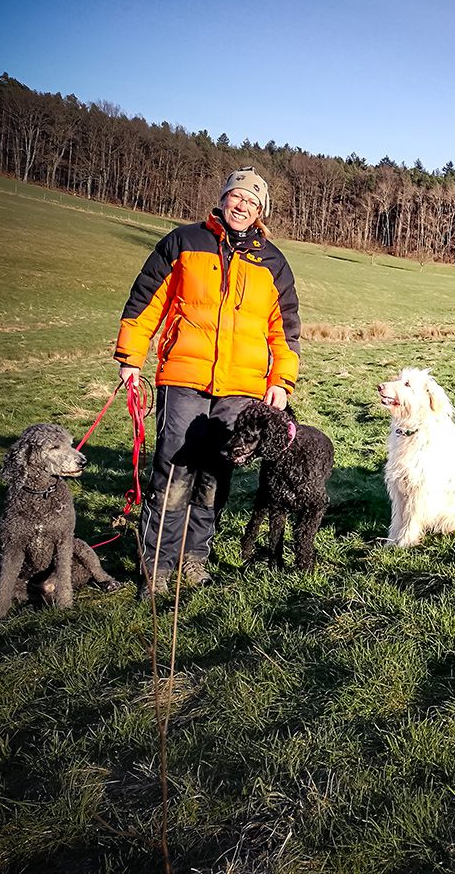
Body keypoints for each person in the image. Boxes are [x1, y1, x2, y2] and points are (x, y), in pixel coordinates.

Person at [114, 167, 301, 596]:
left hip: (242, 387)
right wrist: (130, 357)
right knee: (174, 470)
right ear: (223, 198)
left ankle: (195, 558)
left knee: (216, 474)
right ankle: (157, 567)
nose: (242, 206)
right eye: (237, 196)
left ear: (260, 211)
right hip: (184, 376)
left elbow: (285, 329)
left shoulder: (273, 262)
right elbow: (146, 300)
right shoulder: (183, 241)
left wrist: (281, 380)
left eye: (252, 201)